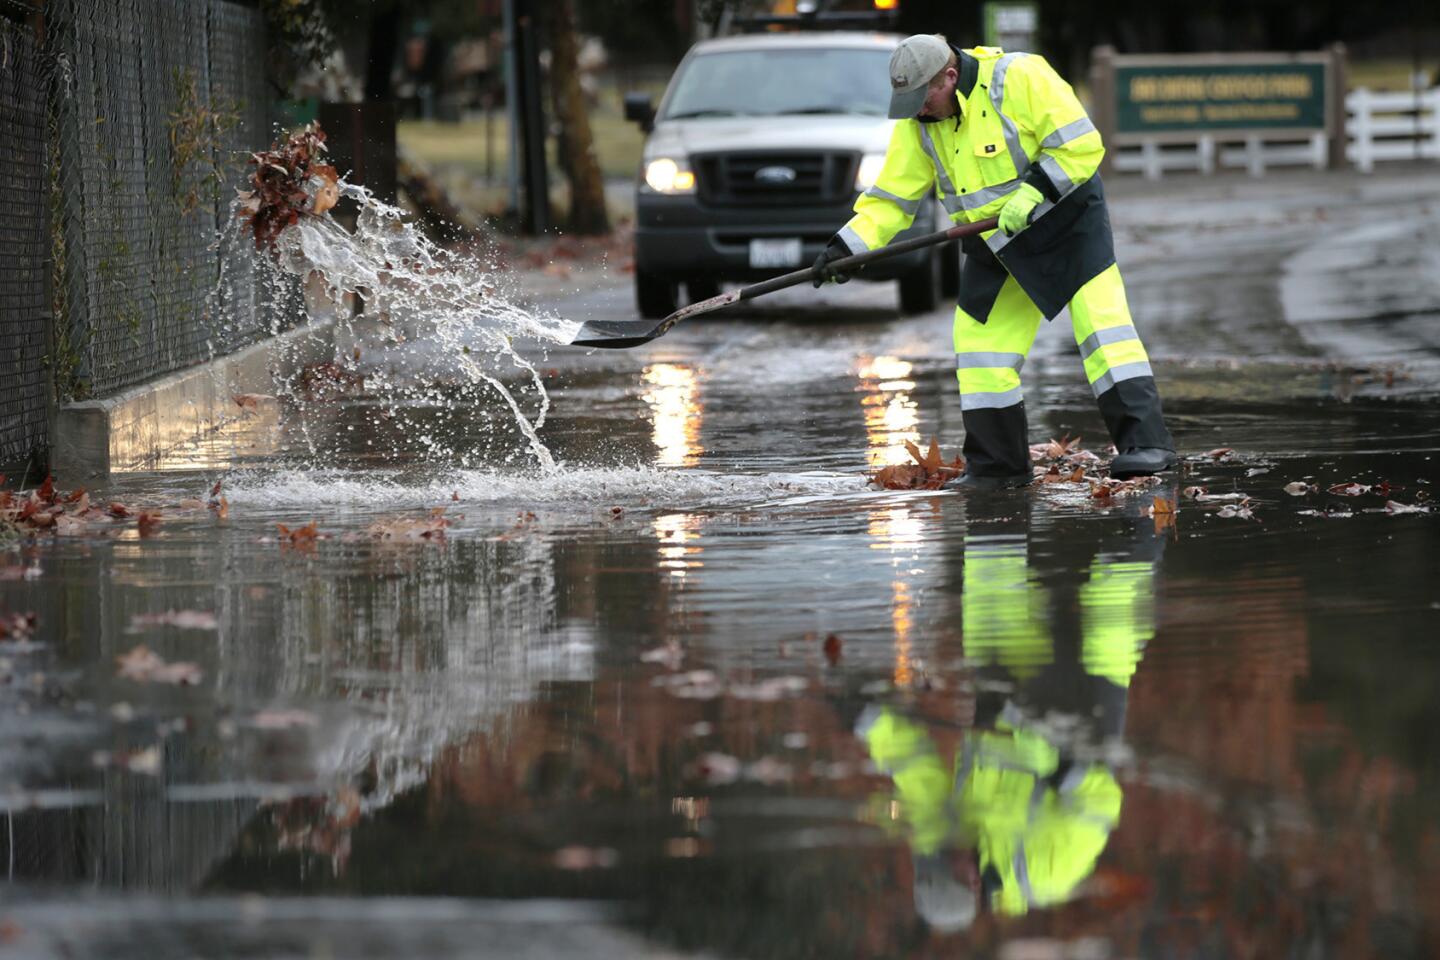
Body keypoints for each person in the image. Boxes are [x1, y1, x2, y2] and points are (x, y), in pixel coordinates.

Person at [813, 35, 1176, 488]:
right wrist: (847, 249)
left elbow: (1080, 144)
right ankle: (998, 466)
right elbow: (891, 199)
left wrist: (1033, 191)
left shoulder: (1020, 77)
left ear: (949, 76)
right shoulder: (920, 122)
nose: (918, 110)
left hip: (1066, 226)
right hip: (996, 244)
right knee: (980, 349)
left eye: (923, 98)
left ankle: (1147, 446)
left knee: (1105, 333)